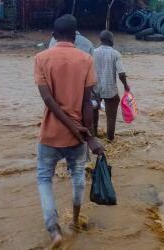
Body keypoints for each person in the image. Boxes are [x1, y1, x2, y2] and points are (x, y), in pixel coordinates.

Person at [34, 14, 104, 248]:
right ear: (75, 36)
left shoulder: (41, 58)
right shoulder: (86, 60)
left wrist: (69, 124)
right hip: (78, 135)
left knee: (44, 179)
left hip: (50, 134)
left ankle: (54, 230)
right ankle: (75, 220)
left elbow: (48, 99)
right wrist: (88, 135)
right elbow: (88, 103)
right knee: (78, 177)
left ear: (54, 36)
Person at [92, 30, 130, 141]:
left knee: (94, 112)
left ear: (101, 39)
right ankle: (110, 139)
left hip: (94, 89)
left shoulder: (92, 52)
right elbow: (121, 73)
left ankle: (95, 136)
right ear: (110, 40)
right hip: (110, 89)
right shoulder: (115, 54)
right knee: (111, 117)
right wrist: (125, 86)